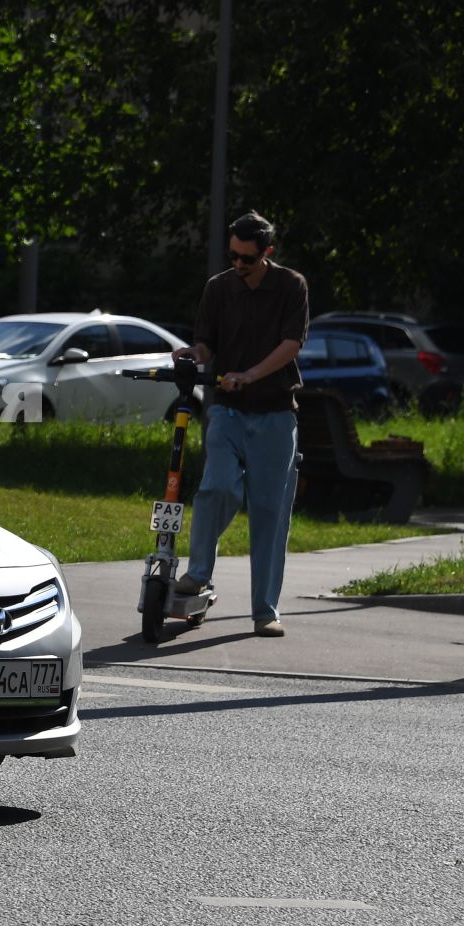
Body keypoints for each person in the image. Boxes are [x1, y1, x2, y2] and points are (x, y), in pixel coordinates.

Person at [169, 211, 309, 637]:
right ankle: (197, 573)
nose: (238, 264)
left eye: (246, 258)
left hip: (274, 414)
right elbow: (208, 344)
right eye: (232, 255)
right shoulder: (219, 288)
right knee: (217, 487)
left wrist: (250, 374)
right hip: (227, 410)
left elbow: (291, 344)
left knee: (269, 512)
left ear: (267, 253)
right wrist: (195, 353)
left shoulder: (291, 286)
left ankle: (265, 610)